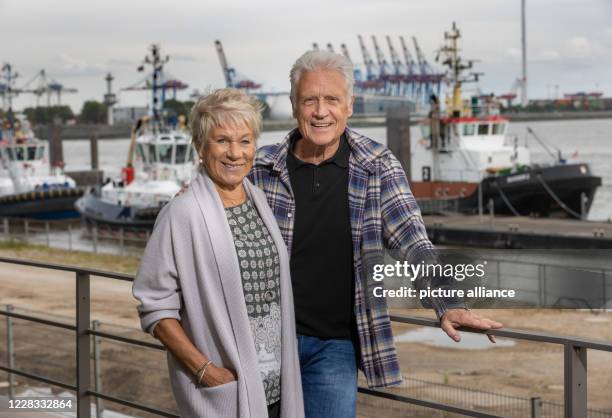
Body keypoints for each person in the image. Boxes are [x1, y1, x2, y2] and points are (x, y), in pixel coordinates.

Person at [247, 50, 503, 418]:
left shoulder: (377, 166)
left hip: (334, 347)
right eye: (310, 100)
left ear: (349, 105)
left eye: (332, 99)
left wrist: (449, 303)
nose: (321, 111)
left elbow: (414, 242)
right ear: (293, 105)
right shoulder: (260, 167)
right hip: (264, 341)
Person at [132, 88, 304, 418]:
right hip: (228, 389)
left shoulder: (260, 202)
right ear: (200, 146)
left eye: (244, 140)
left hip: (277, 385)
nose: (235, 153)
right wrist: (205, 370)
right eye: (222, 140)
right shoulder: (182, 213)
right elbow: (155, 306)